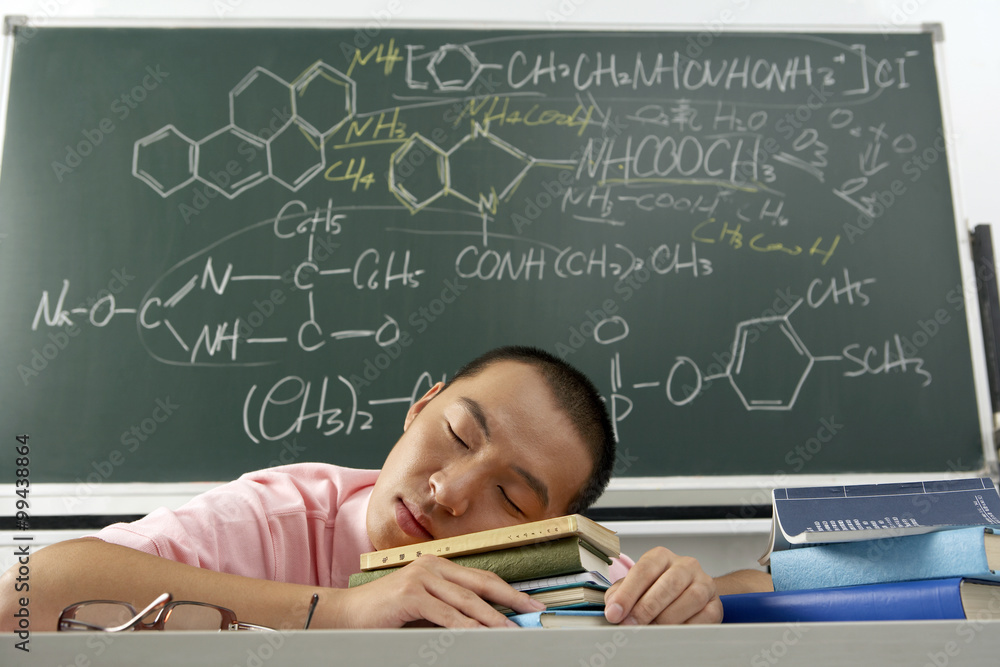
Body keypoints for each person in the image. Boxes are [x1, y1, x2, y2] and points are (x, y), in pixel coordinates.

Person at [0, 346, 771, 631]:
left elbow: (751, 581)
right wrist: (340, 610)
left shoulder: (550, 572)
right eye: (458, 434)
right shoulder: (275, 516)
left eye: (512, 496)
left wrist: (691, 591)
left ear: (549, 531)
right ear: (417, 406)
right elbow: (24, 596)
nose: (447, 491)